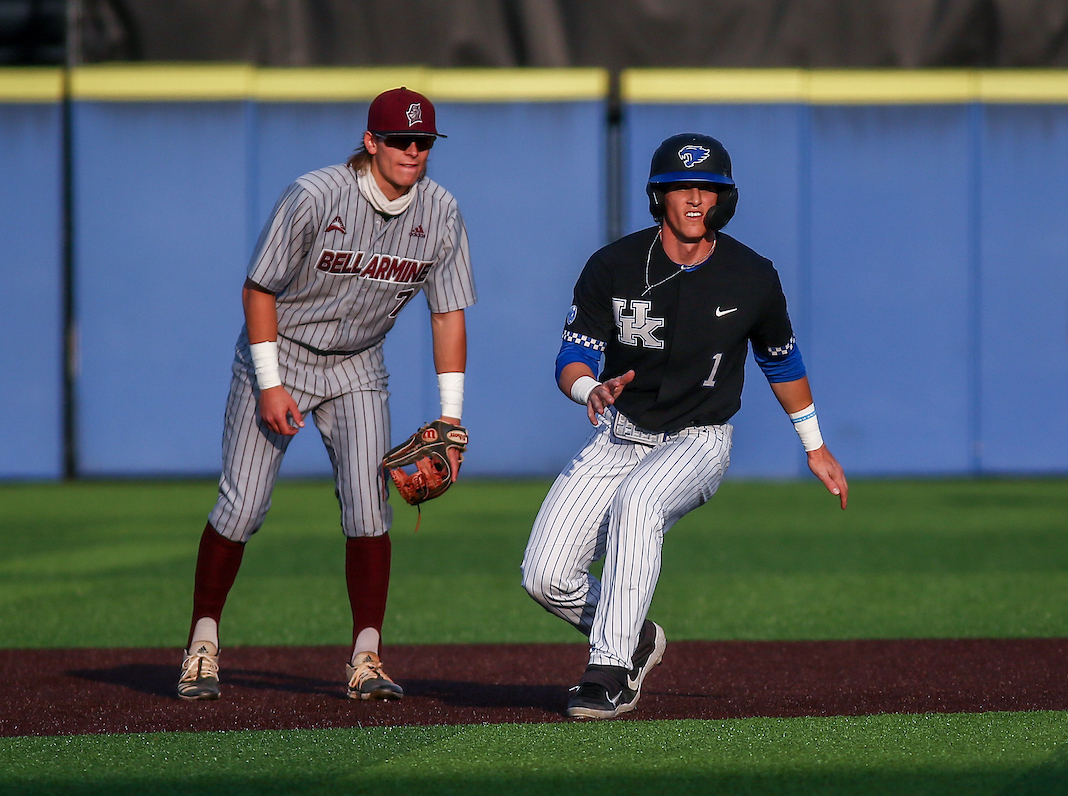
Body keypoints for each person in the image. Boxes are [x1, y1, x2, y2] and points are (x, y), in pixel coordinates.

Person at [521, 133, 848, 720]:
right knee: (545, 577)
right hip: (620, 433)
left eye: (708, 188)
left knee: (640, 502)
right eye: (682, 187)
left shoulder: (751, 275)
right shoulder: (614, 266)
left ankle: (609, 671)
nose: (696, 199)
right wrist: (589, 388)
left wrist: (815, 445)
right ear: (658, 197)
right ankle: (635, 637)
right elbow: (572, 356)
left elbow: (781, 361)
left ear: (725, 198)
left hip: (699, 437)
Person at [177, 87, 476, 701]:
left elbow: (448, 314)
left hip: (359, 364)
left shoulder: (441, 211)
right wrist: (270, 384)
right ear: (371, 142)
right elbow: (259, 290)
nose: (412, 151)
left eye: (423, 141)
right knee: (242, 507)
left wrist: (451, 420)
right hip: (281, 350)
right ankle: (201, 644)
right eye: (399, 140)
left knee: (369, 510)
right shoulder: (316, 196)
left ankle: (367, 658)